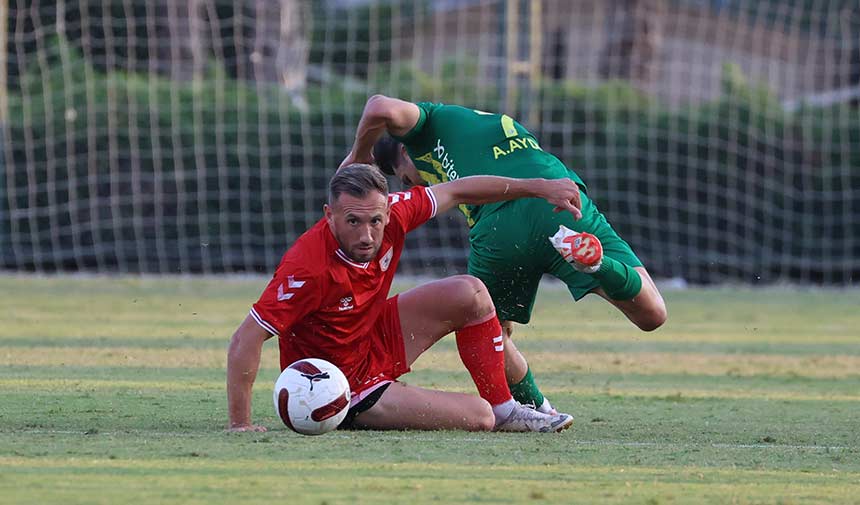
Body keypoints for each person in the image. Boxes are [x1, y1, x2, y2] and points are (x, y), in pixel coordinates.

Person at [340, 95, 668, 415]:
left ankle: (535, 407)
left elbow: (379, 106)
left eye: (408, 178)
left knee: (487, 330)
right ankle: (595, 263)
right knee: (652, 313)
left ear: (402, 149)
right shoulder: (477, 124)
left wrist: (359, 154)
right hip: (561, 202)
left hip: (500, 229)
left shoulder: (425, 122)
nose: (415, 183)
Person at [227, 163, 583, 432]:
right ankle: (492, 413)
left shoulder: (395, 212)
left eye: (376, 221)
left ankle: (508, 407)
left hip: (375, 337)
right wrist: (240, 424)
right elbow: (247, 336)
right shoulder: (307, 267)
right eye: (353, 222)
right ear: (329, 215)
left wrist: (538, 187)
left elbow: (456, 190)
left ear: (387, 212)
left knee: (469, 292)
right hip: (345, 387)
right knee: (479, 416)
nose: (367, 235)